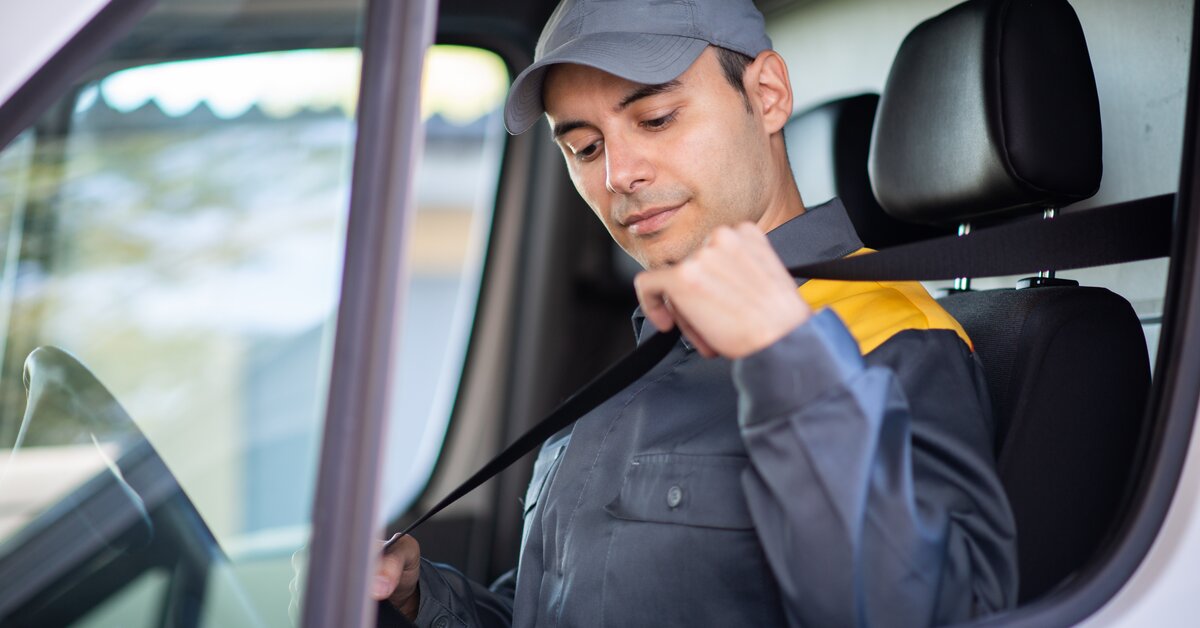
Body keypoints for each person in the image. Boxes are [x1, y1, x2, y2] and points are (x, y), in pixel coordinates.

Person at [375, 0, 1018, 626]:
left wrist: (782, 355)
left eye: (655, 119)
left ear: (766, 95)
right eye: (585, 148)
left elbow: (932, 611)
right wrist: (419, 601)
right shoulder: (650, 348)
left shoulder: (887, 336)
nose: (620, 174)